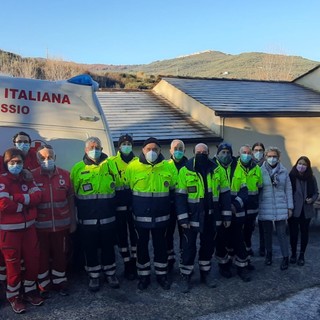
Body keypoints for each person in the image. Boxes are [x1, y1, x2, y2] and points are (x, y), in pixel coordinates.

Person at [176, 143, 231, 293]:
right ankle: (186, 276)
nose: (201, 154)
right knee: (188, 247)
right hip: (191, 217)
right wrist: (182, 219)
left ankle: (205, 274)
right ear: (194, 153)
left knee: (208, 247)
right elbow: (180, 197)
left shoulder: (218, 170)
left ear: (209, 153)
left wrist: (226, 215)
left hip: (211, 216)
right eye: (198, 152)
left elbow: (225, 195)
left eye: (204, 152)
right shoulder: (185, 171)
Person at [125, 137, 176, 290]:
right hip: (140, 218)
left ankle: (162, 275)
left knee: (161, 246)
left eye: (155, 149)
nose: (152, 152)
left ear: (160, 151)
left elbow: (173, 191)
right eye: (149, 149)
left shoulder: (168, 167)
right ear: (143, 150)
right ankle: (144, 276)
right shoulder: (133, 167)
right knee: (141, 247)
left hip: (162, 217)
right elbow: (127, 191)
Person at [70, 137, 120, 292]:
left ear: (102, 148)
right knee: (89, 248)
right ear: (86, 150)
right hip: (87, 219)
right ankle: (93, 276)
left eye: (97, 147)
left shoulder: (111, 165)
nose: (95, 149)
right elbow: (72, 194)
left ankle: (111, 274)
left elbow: (118, 186)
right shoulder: (77, 168)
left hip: (108, 217)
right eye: (91, 147)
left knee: (108, 247)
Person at [0, 148, 43, 314]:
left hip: (29, 230)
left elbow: (38, 197)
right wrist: (26, 205)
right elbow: (3, 204)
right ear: (6, 164)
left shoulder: (27, 179)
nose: (16, 165)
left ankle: (30, 291)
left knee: (33, 262)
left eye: (19, 162)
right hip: (9, 233)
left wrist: (16, 199)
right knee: (13, 267)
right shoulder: (2, 180)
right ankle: (14, 296)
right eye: (12, 162)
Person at [32, 145, 76, 297]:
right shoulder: (31, 176)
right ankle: (43, 285)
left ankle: (60, 282)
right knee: (41, 256)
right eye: (43, 157)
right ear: (37, 159)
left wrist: (73, 222)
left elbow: (70, 200)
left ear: (55, 158)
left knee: (60, 255)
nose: (47, 160)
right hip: (39, 227)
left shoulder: (65, 175)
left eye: (49, 157)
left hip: (62, 225)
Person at [213, 142, 251, 282]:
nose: (226, 155)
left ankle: (242, 267)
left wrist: (235, 205)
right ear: (217, 154)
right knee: (221, 240)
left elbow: (244, 191)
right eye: (223, 152)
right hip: (219, 213)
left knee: (238, 240)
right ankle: (224, 266)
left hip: (236, 212)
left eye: (228, 152)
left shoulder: (238, 168)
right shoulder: (213, 168)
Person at [259, 146, 293, 270]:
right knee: (267, 233)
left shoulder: (284, 172)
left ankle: (285, 257)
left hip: (281, 206)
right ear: (265, 157)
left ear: (278, 158)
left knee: (281, 233)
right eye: (269, 156)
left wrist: (290, 207)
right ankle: (269, 255)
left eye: (274, 156)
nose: (272, 158)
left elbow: (288, 190)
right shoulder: (260, 171)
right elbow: (258, 189)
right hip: (265, 206)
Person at [109, 134, 138, 280]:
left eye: (128, 143)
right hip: (119, 206)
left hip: (135, 205)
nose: (126, 145)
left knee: (135, 236)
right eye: (123, 143)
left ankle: (134, 262)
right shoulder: (111, 162)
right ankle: (127, 264)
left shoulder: (138, 161)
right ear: (119, 146)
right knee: (122, 236)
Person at [288, 156, 319, 266]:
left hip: (306, 210)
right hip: (294, 209)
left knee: (304, 232)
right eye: (300, 163)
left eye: (304, 164)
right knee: (293, 233)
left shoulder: (311, 178)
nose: (301, 166)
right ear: (296, 164)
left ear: (308, 166)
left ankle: (301, 255)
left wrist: (312, 199)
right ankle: (293, 254)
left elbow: (316, 192)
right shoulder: (291, 176)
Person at [166, 139, 188, 271]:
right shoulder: (165, 165)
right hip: (169, 205)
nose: (178, 151)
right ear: (170, 150)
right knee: (168, 234)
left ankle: (183, 259)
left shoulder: (189, 166)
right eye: (175, 148)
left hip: (184, 206)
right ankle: (169, 260)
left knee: (184, 234)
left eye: (180, 148)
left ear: (184, 151)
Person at [240, 145, 263, 262]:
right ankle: (239, 257)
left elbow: (260, 186)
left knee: (249, 233)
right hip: (239, 207)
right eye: (244, 152)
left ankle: (247, 256)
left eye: (249, 153)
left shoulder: (257, 168)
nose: (247, 155)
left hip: (252, 208)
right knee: (238, 234)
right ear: (240, 154)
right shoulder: (235, 168)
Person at [252, 142, 266, 257]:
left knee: (262, 226)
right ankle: (248, 247)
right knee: (249, 226)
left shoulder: (266, 164)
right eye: (256, 150)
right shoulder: (249, 163)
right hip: (250, 199)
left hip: (263, 199)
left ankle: (263, 247)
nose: (258, 152)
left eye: (260, 150)